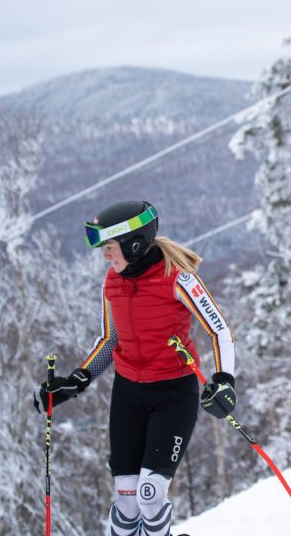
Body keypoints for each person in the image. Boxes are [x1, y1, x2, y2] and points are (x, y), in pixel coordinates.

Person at [33, 200, 236, 536]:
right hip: (128, 394)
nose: (105, 256)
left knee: (150, 495)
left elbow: (219, 329)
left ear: (134, 244)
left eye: (110, 247)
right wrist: (76, 380)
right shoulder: (112, 283)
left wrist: (224, 379)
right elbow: (110, 340)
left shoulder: (179, 279)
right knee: (126, 500)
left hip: (172, 393)